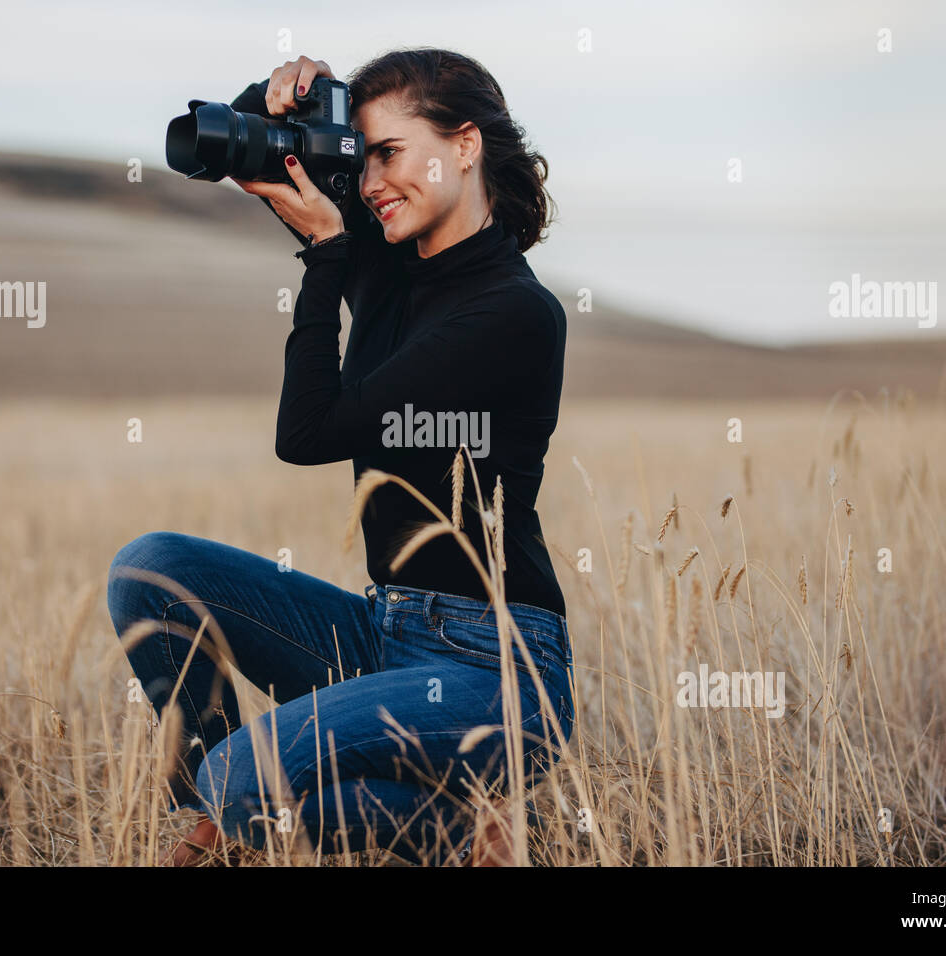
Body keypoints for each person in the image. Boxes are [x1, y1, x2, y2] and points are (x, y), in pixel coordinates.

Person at [107, 48, 573, 866]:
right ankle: (265, 812)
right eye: (361, 160)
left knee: (246, 779)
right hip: (382, 630)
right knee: (149, 571)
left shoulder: (513, 313)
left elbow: (309, 435)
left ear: (464, 145)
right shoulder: (392, 257)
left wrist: (327, 256)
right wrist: (288, 93)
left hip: (495, 672)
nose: (367, 185)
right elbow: (232, 147)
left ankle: (244, 806)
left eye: (388, 154)